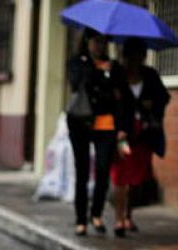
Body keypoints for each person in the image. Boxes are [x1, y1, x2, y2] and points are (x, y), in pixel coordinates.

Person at [66, 28, 133, 236]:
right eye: (96, 41)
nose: (100, 46)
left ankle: (96, 213)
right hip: (81, 122)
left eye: (104, 42)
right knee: (82, 170)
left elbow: (124, 99)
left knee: (103, 169)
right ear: (87, 42)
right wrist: (97, 70)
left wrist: (123, 129)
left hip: (106, 124)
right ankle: (80, 219)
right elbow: (76, 84)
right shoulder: (77, 63)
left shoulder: (115, 68)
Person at [110, 38, 171, 236]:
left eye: (139, 57)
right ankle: (119, 219)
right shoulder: (116, 75)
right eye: (131, 56)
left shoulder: (150, 75)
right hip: (122, 132)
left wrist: (151, 104)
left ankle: (128, 216)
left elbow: (164, 98)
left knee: (136, 179)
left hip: (143, 133)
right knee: (120, 176)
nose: (135, 61)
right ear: (125, 56)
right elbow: (106, 100)